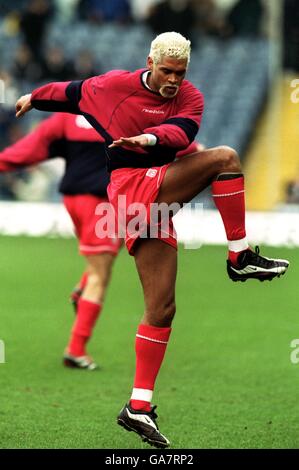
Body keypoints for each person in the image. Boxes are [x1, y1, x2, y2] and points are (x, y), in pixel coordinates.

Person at [15, 32, 289, 448]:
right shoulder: (111, 86)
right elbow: (69, 92)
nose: (174, 79)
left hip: (156, 196)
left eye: (180, 72)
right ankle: (240, 256)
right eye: (167, 70)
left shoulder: (189, 96)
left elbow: (181, 133)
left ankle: (138, 407)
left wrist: (148, 139)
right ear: (150, 62)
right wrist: (33, 97)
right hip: (129, 189)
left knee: (161, 309)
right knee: (226, 158)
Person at [0, 112, 122, 370]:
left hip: (73, 200)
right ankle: (76, 349)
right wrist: (194, 148)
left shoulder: (66, 117)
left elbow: (30, 147)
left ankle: (82, 289)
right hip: (101, 203)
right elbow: (164, 141)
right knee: (102, 274)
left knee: (103, 257)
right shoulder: (120, 115)